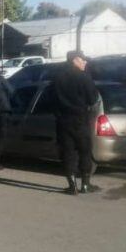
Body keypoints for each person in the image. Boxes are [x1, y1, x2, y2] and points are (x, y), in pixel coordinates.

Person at [53, 50, 99, 195]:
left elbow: (50, 99)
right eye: (83, 60)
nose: (85, 62)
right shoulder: (84, 77)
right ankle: (85, 185)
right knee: (85, 151)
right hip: (80, 119)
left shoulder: (57, 78)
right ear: (75, 60)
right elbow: (93, 99)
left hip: (63, 120)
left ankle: (72, 185)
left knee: (68, 152)